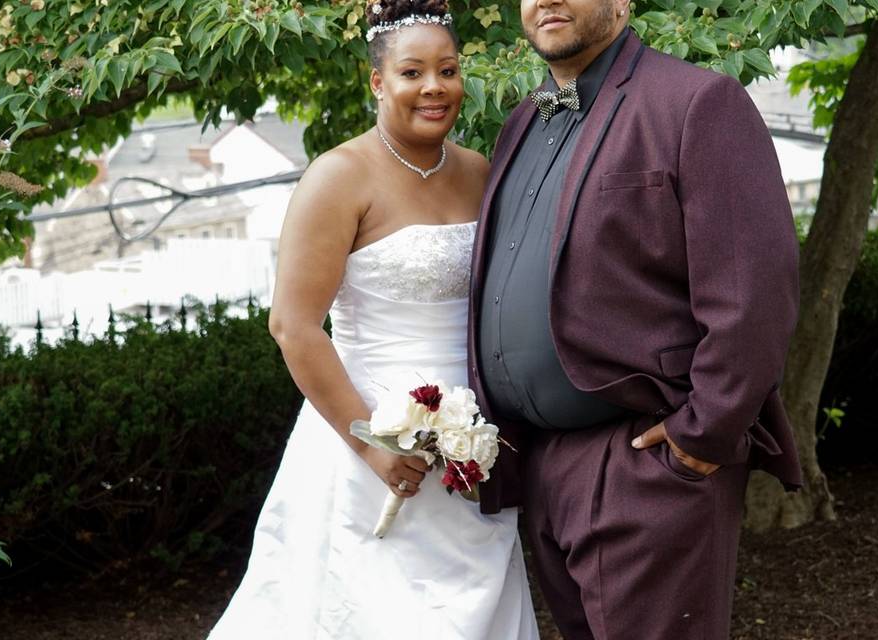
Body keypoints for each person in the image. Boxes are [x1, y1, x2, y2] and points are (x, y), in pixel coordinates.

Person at [469, 0, 802, 638]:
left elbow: (754, 292)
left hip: (642, 464)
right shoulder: (519, 124)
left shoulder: (698, 102)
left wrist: (701, 437)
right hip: (540, 466)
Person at [208, 1, 539, 638]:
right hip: (366, 436)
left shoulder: (482, 173)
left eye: (448, 69)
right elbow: (294, 326)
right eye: (413, 72)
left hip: (476, 444)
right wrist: (370, 444)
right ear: (377, 82)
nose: (434, 87)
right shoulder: (337, 177)